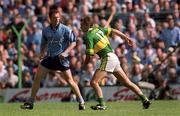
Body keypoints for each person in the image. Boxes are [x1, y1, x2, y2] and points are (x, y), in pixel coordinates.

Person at [20, 5, 85, 110]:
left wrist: (66, 53)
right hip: (49, 58)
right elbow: (43, 43)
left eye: (58, 17)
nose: (57, 19)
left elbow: (73, 42)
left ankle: (81, 101)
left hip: (61, 59)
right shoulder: (45, 30)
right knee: (37, 78)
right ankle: (31, 102)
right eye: (55, 17)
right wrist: (41, 53)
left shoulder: (66, 29)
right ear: (50, 18)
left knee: (70, 81)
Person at [80, 16, 150, 110]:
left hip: (107, 57)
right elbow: (113, 30)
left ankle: (102, 104)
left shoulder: (88, 35)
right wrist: (126, 38)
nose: (80, 27)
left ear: (86, 25)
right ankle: (145, 99)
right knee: (127, 83)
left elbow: (89, 55)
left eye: (81, 25)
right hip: (113, 57)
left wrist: (84, 65)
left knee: (93, 82)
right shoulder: (98, 30)